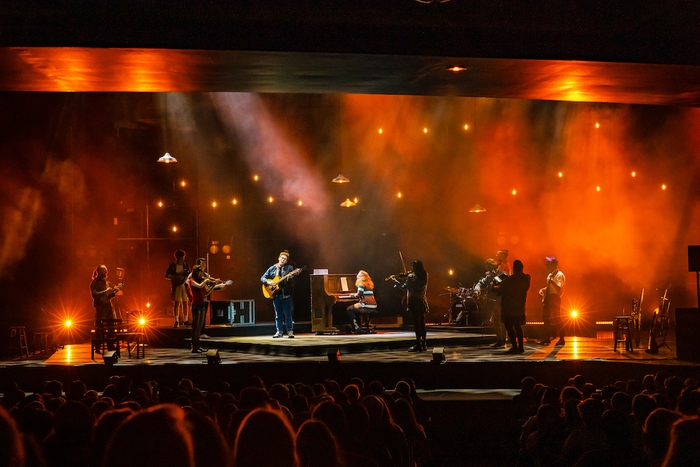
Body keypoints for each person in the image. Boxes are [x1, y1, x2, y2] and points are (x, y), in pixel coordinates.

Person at [189, 257, 229, 347]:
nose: (202, 274)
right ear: (196, 273)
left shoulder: (203, 279)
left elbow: (206, 292)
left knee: (199, 326)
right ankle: (194, 345)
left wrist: (215, 284)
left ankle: (197, 345)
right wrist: (207, 281)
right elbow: (200, 286)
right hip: (196, 305)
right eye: (200, 272)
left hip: (202, 304)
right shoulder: (192, 281)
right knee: (195, 327)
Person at [391, 259, 429, 352]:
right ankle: (424, 343)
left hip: (413, 301)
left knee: (416, 324)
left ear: (414, 267)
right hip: (422, 300)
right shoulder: (425, 275)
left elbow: (404, 287)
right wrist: (406, 275)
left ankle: (418, 344)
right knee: (422, 323)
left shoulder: (411, 276)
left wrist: (396, 282)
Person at [261, 250, 299, 338]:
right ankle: (279, 332)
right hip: (276, 295)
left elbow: (291, 280)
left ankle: (290, 331)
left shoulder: (289, 268)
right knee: (278, 315)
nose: (283, 260)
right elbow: (263, 278)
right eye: (282, 258)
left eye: (285, 259)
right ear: (279, 258)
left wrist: (290, 277)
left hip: (286, 294)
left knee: (288, 314)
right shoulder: (272, 268)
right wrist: (269, 282)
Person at [497, 259, 530, 353]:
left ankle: (515, 346)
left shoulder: (509, 280)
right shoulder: (526, 278)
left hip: (510, 306)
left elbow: (499, 290)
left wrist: (499, 280)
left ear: (514, 268)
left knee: (509, 325)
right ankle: (521, 347)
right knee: (518, 325)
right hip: (520, 305)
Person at [475, 258, 507, 348]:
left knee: (502, 321)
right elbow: (481, 283)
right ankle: (499, 340)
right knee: (496, 321)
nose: (487, 270)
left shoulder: (503, 274)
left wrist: (494, 279)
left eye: (489, 267)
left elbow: (501, 284)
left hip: (502, 300)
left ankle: (503, 340)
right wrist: (477, 290)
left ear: (493, 266)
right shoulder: (490, 276)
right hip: (494, 301)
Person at [90, 265, 122, 353]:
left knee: (111, 325)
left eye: (106, 271)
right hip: (100, 307)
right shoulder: (94, 282)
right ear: (99, 272)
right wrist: (105, 292)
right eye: (104, 271)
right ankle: (98, 346)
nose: (106, 272)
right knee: (100, 327)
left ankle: (110, 345)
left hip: (108, 306)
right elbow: (94, 294)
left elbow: (108, 295)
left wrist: (113, 292)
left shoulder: (106, 283)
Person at [539, 256, 566, 345]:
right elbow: (550, 288)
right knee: (546, 318)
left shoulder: (559, 275)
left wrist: (551, 282)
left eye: (549, 264)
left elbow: (558, 288)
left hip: (554, 298)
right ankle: (546, 337)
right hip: (549, 297)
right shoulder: (550, 275)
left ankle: (562, 338)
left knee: (557, 318)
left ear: (554, 264)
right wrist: (543, 290)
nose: (547, 265)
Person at [165, 249, 191, 328]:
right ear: (178, 258)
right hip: (176, 286)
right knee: (177, 303)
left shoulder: (185, 265)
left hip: (184, 285)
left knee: (185, 303)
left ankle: (185, 320)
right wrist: (176, 277)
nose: (183, 259)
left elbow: (189, 274)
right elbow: (167, 275)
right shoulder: (173, 265)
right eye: (182, 257)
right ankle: (176, 320)